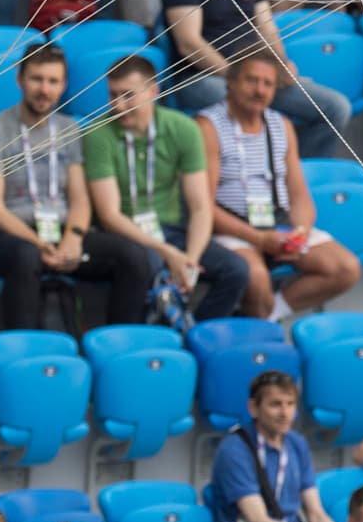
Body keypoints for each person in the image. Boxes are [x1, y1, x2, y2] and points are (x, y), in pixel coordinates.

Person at [161, 0, 354, 164]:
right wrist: (235, 76)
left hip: (251, 72)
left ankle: (296, 175)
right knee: (243, 103)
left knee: (335, 107)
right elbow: (189, 42)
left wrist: (280, 66)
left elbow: (267, 28)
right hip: (203, 76)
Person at [0, 43, 150, 329]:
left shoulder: (69, 129)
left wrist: (73, 238)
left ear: (63, 85)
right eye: (36, 79)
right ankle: (26, 352)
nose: (44, 89)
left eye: (53, 81)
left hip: (61, 235)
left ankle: (118, 346)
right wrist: (40, 244)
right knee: (26, 257)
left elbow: (79, 199)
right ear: (20, 80)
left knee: (132, 257)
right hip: (4, 238)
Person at [82, 55, 248, 322]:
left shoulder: (183, 129)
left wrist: (190, 260)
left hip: (171, 229)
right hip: (127, 234)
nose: (118, 105)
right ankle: (145, 338)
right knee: (148, 262)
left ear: (153, 91)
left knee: (237, 270)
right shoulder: (98, 133)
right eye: (113, 95)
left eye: (128, 96)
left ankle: (195, 337)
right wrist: (169, 253)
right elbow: (110, 216)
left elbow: (200, 206)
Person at [199, 53, 359, 320]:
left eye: (267, 84)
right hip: (231, 227)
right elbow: (203, 205)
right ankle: (259, 331)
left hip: (276, 222)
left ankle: (269, 315)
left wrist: (300, 232)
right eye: (252, 80)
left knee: (345, 268)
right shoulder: (208, 126)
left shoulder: (280, 125)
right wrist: (259, 239)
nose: (259, 90)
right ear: (231, 82)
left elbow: (298, 194)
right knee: (256, 278)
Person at [211, 370, 343, 522]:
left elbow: (317, 515)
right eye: (276, 404)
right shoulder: (235, 450)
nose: (285, 413)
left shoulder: (296, 443)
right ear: (253, 408)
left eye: (290, 404)